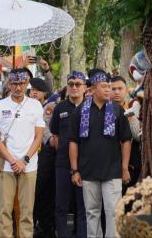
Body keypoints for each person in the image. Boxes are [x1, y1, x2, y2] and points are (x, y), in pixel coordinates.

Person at [69, 70, 132, 238]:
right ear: (93, 89)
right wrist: (74, 170)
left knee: (113, 213)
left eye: (109, 87)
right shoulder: (80, 111)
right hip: (87, 171)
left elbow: (126, 140)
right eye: (104, 86)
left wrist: (124, 167)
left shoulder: (117, 111)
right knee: (92, 213)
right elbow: (73, 141)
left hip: (112, 171)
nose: (108, 90)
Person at [0, 68, 45, 237]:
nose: (18, 87)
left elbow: (39, 136)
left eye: (21, 83)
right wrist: (13, 160)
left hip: (29, 166)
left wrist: (24, 160)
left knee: (27, 212)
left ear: (27, 83)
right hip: (6, 166)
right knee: (4, 211)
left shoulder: (35, 105)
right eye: (14, 84)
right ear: (9, 84)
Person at [51, 71, 87, 238]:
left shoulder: (90, 106)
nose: (74, 87)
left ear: (85, 87)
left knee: (83, 206)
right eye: (71, 84)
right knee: (61, 206)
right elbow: (55, 135)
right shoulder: (60, 107)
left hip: (86, 164)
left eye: (78, 84)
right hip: (63, 163)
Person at [29, 78, 57, 238]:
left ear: (44, 93)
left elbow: (46, 129)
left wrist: (49, 140)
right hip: (30, 153)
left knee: (42, 191)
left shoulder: (49, 107)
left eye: (37, 90)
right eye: (32, 90)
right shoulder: (27, 107)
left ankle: (46, 228)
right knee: (33, 193)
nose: (33, 92)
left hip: (45, 153)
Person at [111, 76, 142, 193]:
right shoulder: (101, 111)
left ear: (126, 90)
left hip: (132, 165)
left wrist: (131, 117)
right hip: (109, 164)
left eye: (120, 88)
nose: (117, 92)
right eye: (113, 89)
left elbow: (138, 135)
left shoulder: (134, 108)